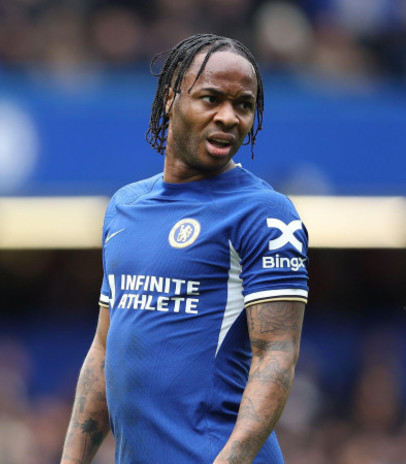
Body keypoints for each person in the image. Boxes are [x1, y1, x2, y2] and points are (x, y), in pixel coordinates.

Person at [60, 33, 309, 464]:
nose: (229, 118)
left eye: (243, 105)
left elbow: (277, 355)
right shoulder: (125, 207)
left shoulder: (265, 213)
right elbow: (103, 350)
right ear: (172, 98)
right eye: (211, 98)